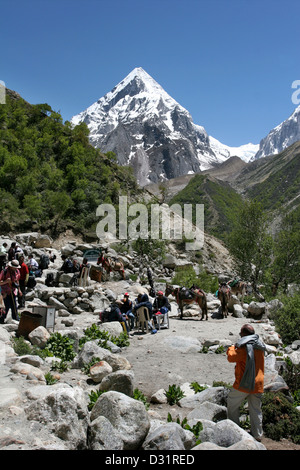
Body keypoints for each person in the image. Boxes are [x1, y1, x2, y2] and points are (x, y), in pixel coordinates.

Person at [226, 323, 266, 441]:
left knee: (232, 403)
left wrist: (232, 347)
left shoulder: (244, 348)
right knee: (255, 409)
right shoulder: (260, 346)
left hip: (243, 384)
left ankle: (235, 429)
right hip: (258, 383)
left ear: (244, 334)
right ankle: (257, 434)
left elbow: (231, 357)